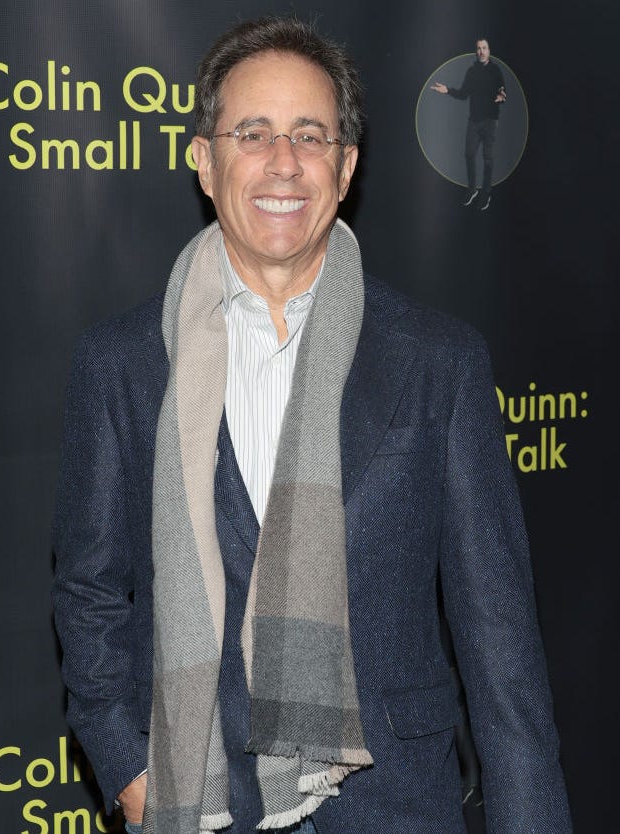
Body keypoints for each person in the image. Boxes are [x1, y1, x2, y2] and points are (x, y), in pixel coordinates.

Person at [52, 17, 572, 834]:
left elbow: (499, 640)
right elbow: (88, 590)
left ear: (346, 165)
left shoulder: (439, 362)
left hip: (398, 804)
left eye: (310, 135)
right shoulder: (120, 363)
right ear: (204, 160)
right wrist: (128, 770)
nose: (283, 163)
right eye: (251, 133)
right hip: (198, 802)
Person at [431, 39, 506, 211]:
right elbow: (464, 94)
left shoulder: (496, 70)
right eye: (478, 48)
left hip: (490, 121)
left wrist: (502, 96)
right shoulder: (471, 71)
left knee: (488, 160)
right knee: (469, 154)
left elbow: (502, 90)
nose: (481, 51)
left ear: (489, 50)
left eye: (484, 48)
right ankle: (472, 189)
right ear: (476, 51)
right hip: (474, 121)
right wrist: (447, 90)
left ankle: (486, 193)